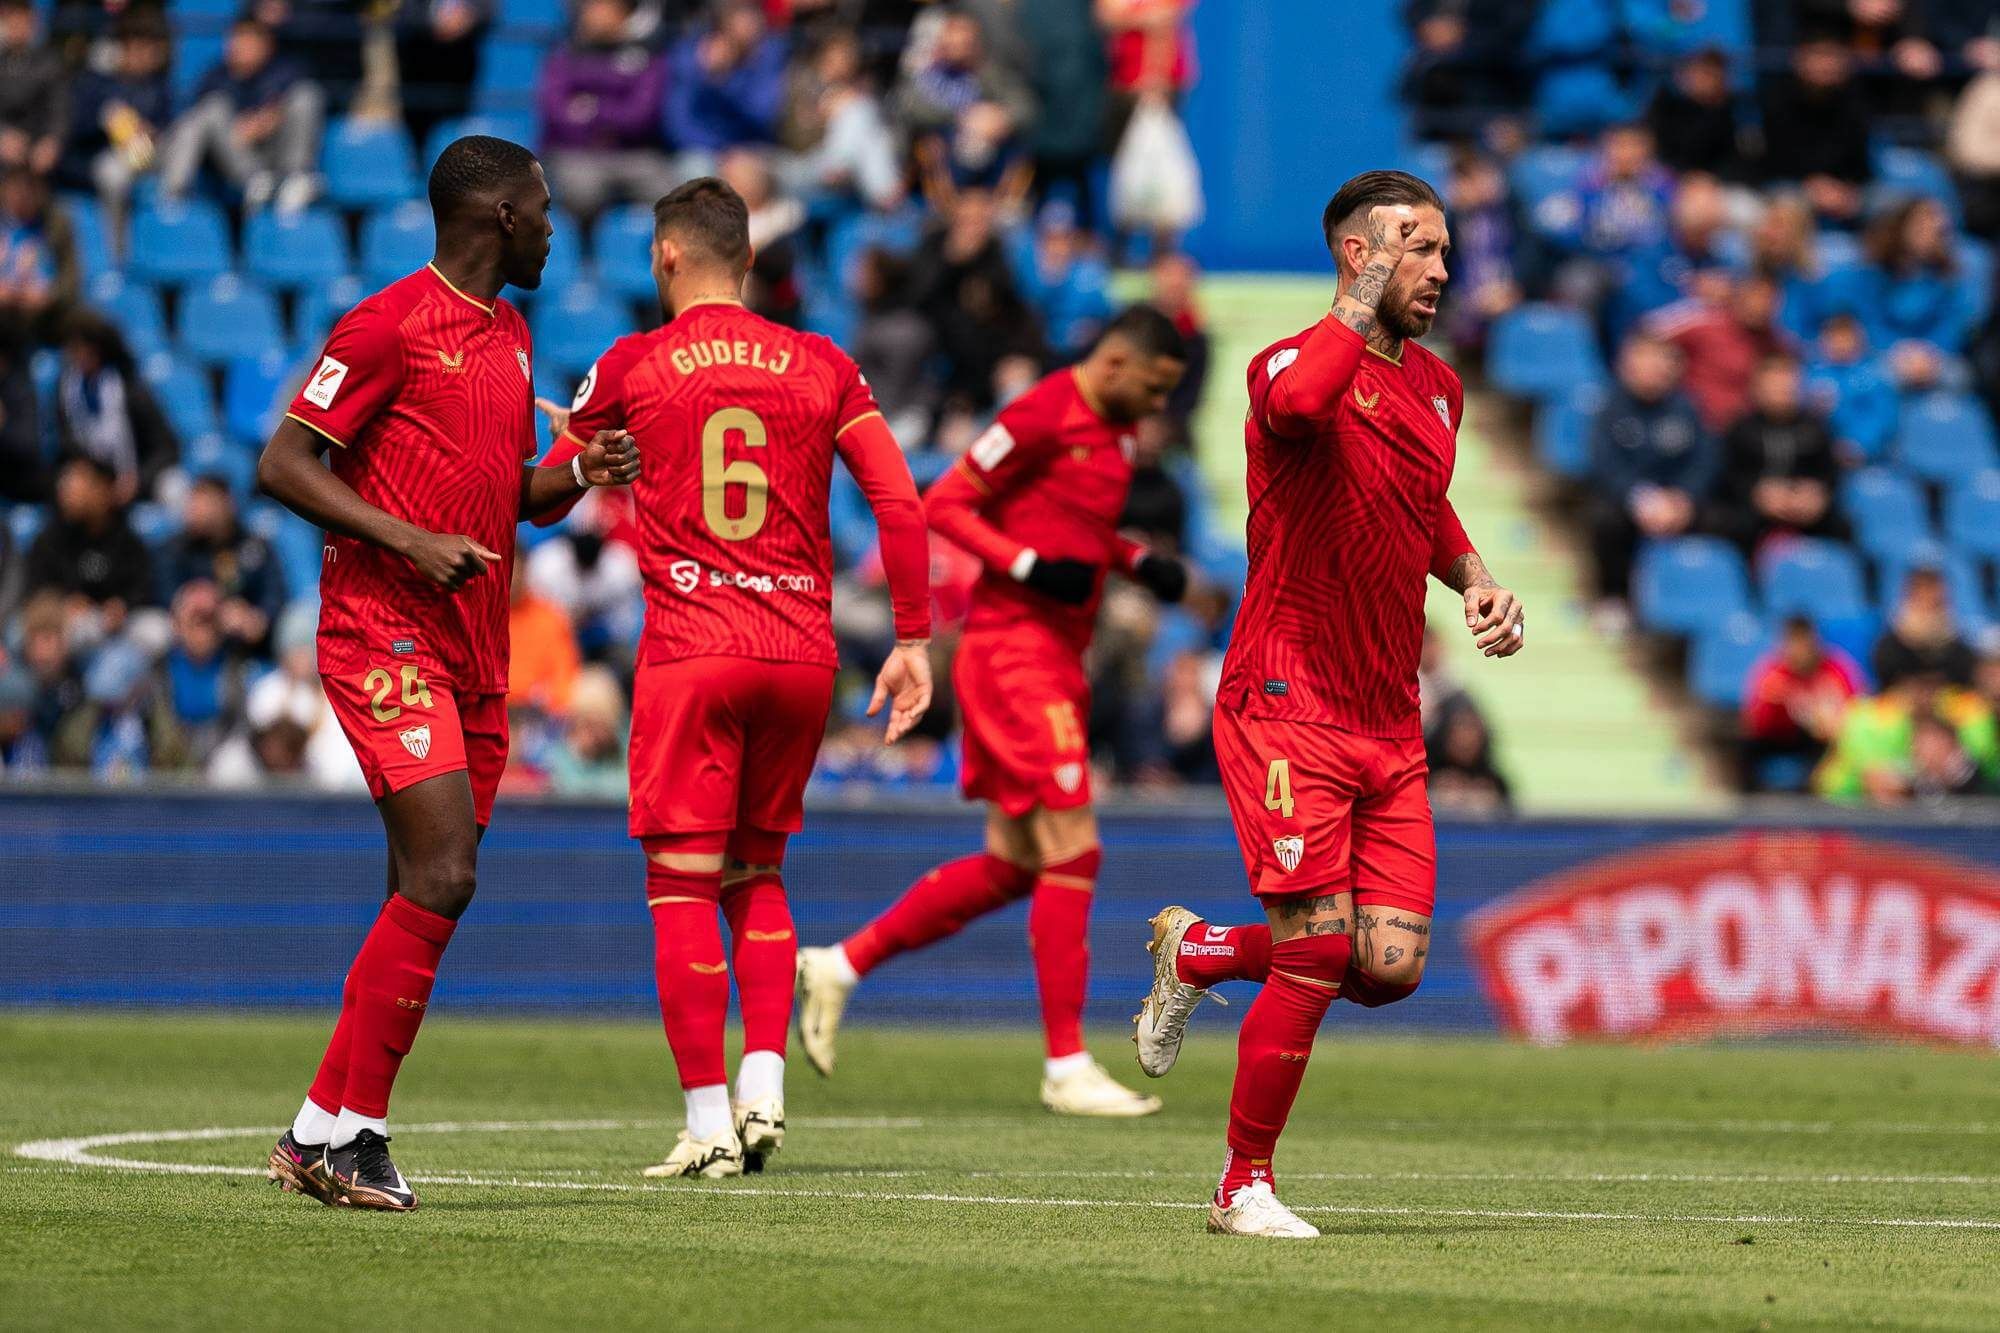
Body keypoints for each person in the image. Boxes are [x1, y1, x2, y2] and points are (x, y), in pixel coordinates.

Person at [1129, 172, 1525, 1238]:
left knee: (1384, 966)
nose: (1440, 269)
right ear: (1356, 256)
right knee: (1312, 951)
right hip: (1283, 697)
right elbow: (1303, 407)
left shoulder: (1438, 387)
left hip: (1385, 715)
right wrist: (1356, 294)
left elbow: (1422, 496)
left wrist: (1476, 575)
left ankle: (1200, 952)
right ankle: (1239, 1185)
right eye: (1417, 247)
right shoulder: (1283, 367)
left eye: (1444, 249)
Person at [254, 135, 639, 1213]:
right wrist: (405, 540)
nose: (558, 228)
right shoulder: (386, 324)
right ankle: (354, 1138)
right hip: (383, 632)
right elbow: (282, 462)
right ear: (502, 218)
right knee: (444, 876)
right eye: (546, 210)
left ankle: (315, 1132)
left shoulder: (510, 335)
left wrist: (575, 474)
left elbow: (495, 493)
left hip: (475, 651)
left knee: (418, 889)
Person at [533, 176, 931, 1180]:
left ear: (664, 256)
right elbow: (900, 503)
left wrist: (575, 450)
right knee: (756, 874)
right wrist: (914, 638)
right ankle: (764, 1085)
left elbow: (542, 494)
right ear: (747, 260)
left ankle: (707, 1122)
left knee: (678, 887)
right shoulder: (821, 362)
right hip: (800, 653)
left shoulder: (631, 363)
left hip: (692, 650)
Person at [795, 305, 1190, 1116]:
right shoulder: (1044, 411)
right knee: (1075, 846)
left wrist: (1135, 558)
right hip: (1012, 655)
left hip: (1052, 658)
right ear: (1114, 362)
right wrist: (1028, 565)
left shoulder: (1115, 432)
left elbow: (1075, 527)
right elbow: (947, 500)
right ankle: (1066, 1062)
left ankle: (840, 963)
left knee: (1018, 865)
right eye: (1152, 388)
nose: (1156, 408)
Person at [1584, 331, 1718, 611]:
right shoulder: (1610, 405)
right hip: (1630, 500)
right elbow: (1604, 462)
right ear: (1628, 364)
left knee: (1723, 520)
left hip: (1677, 500)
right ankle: (1614, 597)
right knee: (1604, 519)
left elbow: (1704, 459)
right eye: (1647, 360)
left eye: (1662, 361)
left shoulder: (1686, 407)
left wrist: (1684, 497)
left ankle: (1697, 598)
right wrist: (1640, 498)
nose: (1656, 368)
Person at [158, 16, 324, 215]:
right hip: (237, 160)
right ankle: (252, 182)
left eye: (249, 40)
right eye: (236, 39)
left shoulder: (285, 69)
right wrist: (240, 127)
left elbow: (295, 97)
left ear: (267, 45)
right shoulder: (215, 76)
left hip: (277, 150)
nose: (239, 46)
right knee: (211, 108)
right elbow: (199, 123)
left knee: (306, 95)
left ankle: (297, 178)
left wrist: (268, 117)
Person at [536, 0, 673, 221]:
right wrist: (612, 115)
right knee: (582, 191)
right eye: (591, 6)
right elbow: (556, 113)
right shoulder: (563, 56)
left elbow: (641, 116)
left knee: (672, 193)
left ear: (623, 15)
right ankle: (583, 253)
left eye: (603, 7)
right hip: (575, 154)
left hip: (633, 154)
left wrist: (593, 109)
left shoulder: (648, 55)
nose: (594, 14)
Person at [1712, 353, 1844, 554]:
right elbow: (1728, 475)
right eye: (1774, 386)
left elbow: (1829, 472)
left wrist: (1816, 494)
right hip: (1753, 511)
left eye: (1787, 385)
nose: (1782, 392)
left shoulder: (1816, 427)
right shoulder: (1740, 429)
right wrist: (1756, 493)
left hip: (1806, 509)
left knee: (1843, 527)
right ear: (1757, 389)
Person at [61, 8, 174, 243]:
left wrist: (152, 130)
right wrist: (104, 121)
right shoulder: (97, 84)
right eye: (135, 49)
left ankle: (173, 208)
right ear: (122, 50)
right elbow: (77, 130)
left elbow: (169, 125)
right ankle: (118, 250)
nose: (141, 56)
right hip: (113, 155)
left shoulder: (159, 87)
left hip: (153, 153)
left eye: (146, 50)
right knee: (111, 172)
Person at [1741, 614, 1865, 791]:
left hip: (1821, 744)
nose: (1799, 651)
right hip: (1778, 741)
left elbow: (1855, 714)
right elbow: (1755, 723)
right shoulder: (1771, 672)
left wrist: (1825, 717)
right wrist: (1777, 704)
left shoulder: (1836, 668)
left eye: (1804, 643)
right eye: (1793, 643)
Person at [1873, 565, 1976, 689]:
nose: (1928, 596)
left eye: (1933, 588)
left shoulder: (1960, 647)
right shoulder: (1889, 647)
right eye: (1921, 588)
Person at [0, 0, 64, 178]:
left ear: (33, 25)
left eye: (23, 22)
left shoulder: (50, 63)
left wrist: (52, 141)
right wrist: (2, 135)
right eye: (13, 21)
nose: (18, 27)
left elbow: (59, 110)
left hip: (36, 143)